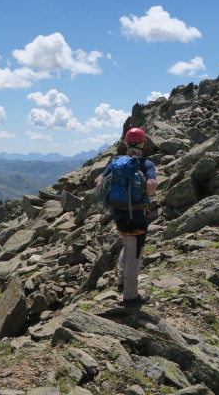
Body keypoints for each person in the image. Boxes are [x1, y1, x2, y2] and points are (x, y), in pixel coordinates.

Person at [96, 127, 157, 307]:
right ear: (142, 143)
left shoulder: (115, 162)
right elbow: (152, 186)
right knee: (135, 253)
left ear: (126, 143)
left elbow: (99, 184)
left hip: (118, 213)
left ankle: (121, 283)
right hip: (137, 214)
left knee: (127, 244)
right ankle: (131, 296)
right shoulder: (146, 164)